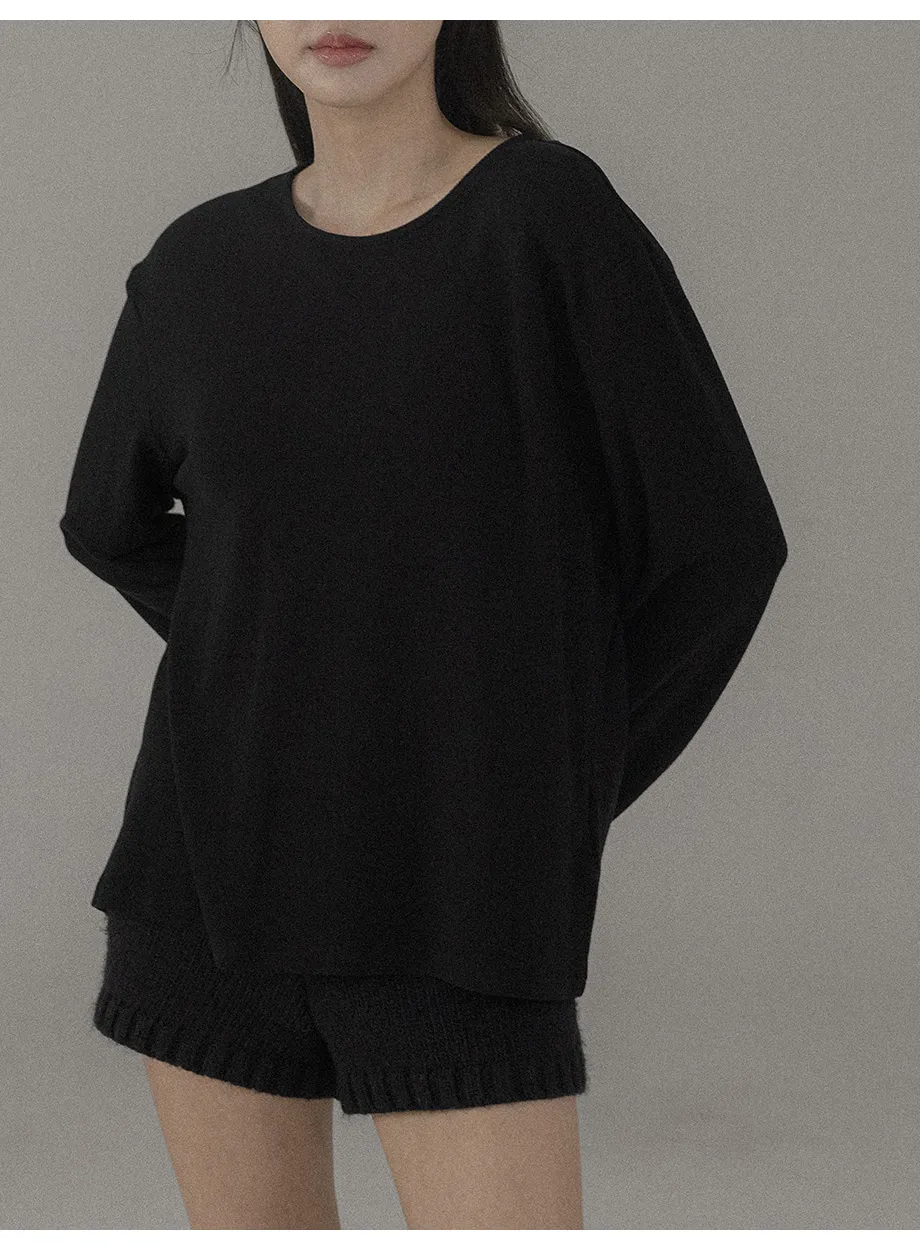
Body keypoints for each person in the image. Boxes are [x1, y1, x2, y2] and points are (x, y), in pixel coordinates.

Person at [59, 19, 788, 1230]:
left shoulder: (545, 218)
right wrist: (298, 655)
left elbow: (720, 547)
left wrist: (546, 786)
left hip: (456, 891)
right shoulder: (196, 262)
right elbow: (106, 523)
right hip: (198, 885)